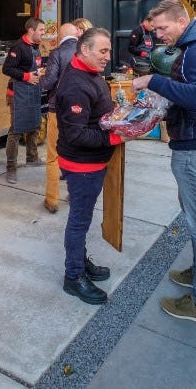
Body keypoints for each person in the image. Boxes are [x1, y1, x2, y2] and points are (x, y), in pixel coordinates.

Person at [132, 0, 196, 325]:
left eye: (162, 28)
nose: (158, 35)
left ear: (181, 22)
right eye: (155, 29)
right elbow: (192, 94)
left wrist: (153, 81)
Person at [54, 27, 122, 304]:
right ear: (85, 50)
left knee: (82, 218)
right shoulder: (75, 86)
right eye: (103, 51)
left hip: (91, 163)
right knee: (79, 221)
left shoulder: (90, 74)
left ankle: (81, 263)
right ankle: (74, 277)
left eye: (108, 51)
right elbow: (76, 134)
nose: (108, 56)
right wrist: (115, 136)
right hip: (82, 165)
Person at [39, 23, 80, 213]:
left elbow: (48, 83)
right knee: (76, 153)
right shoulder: (84, 51)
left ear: (60, 36)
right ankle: (75, 194)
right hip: (80, 111)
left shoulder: (57, 53)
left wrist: (40, 77)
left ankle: (52, 200)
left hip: (58, 109)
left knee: (53, 156)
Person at [1, 18, 45, 183]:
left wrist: (41, 72)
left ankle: (32, 158)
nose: (43, 33)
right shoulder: (18, 47)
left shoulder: (35, 46)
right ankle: (11, 167)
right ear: (31, 30)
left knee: (34, 125)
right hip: (17, 94)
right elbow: (7, 68)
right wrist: (27, 76)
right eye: (41, 30)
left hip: (32, 91)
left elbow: (33, 66)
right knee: (16, 130)